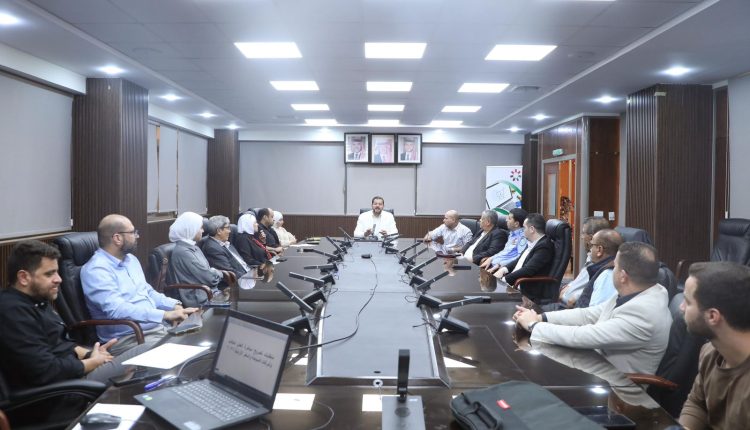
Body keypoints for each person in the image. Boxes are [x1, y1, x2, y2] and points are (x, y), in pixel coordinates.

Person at [513, 241, 672, 374]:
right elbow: (589, 314)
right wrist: (541, 317)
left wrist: (533, 325)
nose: (611, 269)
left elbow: (584, 336)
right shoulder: (637, 291)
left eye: (615, 266)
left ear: (623, 276)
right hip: (596, 366)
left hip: (618, 388)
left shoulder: (643, 313)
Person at [81, 214, 197, 356]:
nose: (137, 236)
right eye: (132, 232)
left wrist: (174, 306)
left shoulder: (131, 260)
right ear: (117, 238)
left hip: (156, 328)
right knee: (182, 355)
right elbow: (117, 310)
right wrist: (165, 314)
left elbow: (148, 292)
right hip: (129, 338)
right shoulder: (96, 270)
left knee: (199, 342)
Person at [679, 262, 750, 430]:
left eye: (687, 302)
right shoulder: (710, 352)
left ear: (712, 316)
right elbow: (697, 403)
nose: (681, 308)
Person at [165, 211, 225, 307]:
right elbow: (210, 278)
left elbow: (208, 272)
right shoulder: (183, 252)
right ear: (191, 229)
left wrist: (213, 272)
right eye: (200, 228)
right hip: (199, 297)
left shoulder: (193, 247)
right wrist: (218, 273)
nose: (203, 231)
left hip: (210, 292)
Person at [493, 213, 554, 291]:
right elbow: (518, 260)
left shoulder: (544, 247)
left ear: (532, 229)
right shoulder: (532, 241)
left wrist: (504, 279)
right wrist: (503, 269)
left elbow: (528, 270)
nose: (522, 230)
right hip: (515, 282)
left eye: (524, 227)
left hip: (525, 288)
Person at [558, 216, 611, 307]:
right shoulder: (591, 257)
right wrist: (569, 286)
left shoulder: (597, 264)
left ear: (591, 238)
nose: (581, 237)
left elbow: (571, 300)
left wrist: (567, 295)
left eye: (583, 233)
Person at [202, 215, 255, 290]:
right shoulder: (212, 248)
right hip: (235, 284)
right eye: (227, 228)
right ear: (219, 231)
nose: (230, 231)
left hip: (247, 276)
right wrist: (249, 276)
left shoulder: (225, 242)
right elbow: (229, 272)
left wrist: (253, 272)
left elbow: (242, 263)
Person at [480, 208, 529, 272]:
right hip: (493, 264)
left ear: (516, 224)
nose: (506, 220)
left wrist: (500, 264)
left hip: (502, 269)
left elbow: (520, 257)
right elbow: (505, 252)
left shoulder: (523, 237)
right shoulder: (512, 233)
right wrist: (491, 258)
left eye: (509, 218)